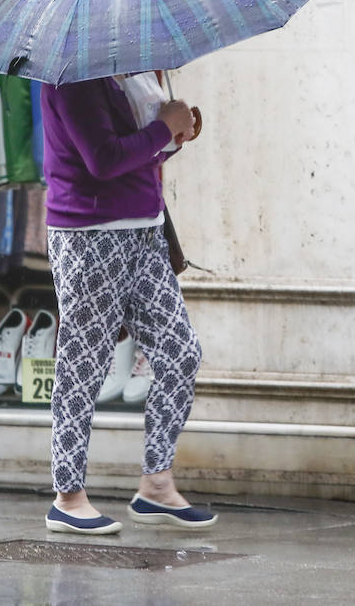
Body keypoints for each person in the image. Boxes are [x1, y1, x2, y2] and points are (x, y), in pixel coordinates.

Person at [39, 72, 215, 534]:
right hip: (89, 237)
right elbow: (102, 159)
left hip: (145, 230)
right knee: (83, 366)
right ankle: (68, 495)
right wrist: (162, 127)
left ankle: (157, 482)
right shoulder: (73, 78)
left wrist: (175, 133)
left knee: (180, 353)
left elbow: (140, 151)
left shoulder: (130, 73)